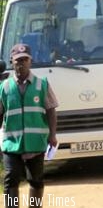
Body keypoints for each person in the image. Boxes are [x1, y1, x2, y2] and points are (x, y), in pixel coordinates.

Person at [0, 43, 58, 207]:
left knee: (36, 180)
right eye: (17, 60)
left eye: (25, 59)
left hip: (36, 142)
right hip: (11, 144)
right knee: (10, 180)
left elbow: (51, 111)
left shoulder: (42, 84)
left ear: (30, 61)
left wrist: (52, 135)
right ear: (12, 62)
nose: (21, 63)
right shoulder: (4, 87)